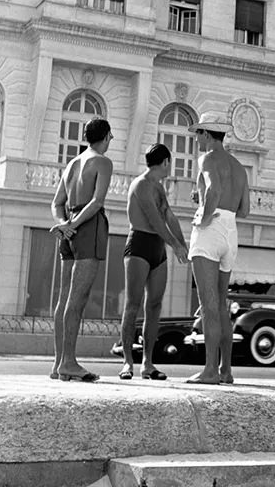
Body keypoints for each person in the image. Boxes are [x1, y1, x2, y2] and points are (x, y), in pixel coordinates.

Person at [185, 112, 249, 385]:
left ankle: (209, 370)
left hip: (211, 232)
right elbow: (245, 209)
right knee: (222, 304)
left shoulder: (207, 158)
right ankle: (226, 369)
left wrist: (204, 215)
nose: (196, 138)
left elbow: (213, 188)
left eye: (198, 133)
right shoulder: (238, 166)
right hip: (231, 229)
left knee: (208, 304)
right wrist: (208, 203)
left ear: (208, 134)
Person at [49, 117, 114, 382]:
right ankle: (69, 363)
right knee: (78, 298)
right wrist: (75, 224)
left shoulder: (72, 164)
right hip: (87, 228)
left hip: (67, 230)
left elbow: (56, 203)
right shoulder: (103, 162)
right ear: (107, 136)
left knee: (64, 297)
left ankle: (58, 364)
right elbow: (97, 202)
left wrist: (64, 225)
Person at [118, 144, 190, 381]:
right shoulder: (141, 184)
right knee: (133, 304)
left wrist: (183, 244)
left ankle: (147, 363)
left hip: (158, 249)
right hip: (139, 243)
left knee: (155, 305)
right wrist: (175, 246)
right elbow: (156, 222)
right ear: (166, 161)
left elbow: (169, 217)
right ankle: (128, 362)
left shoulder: (159, 187)